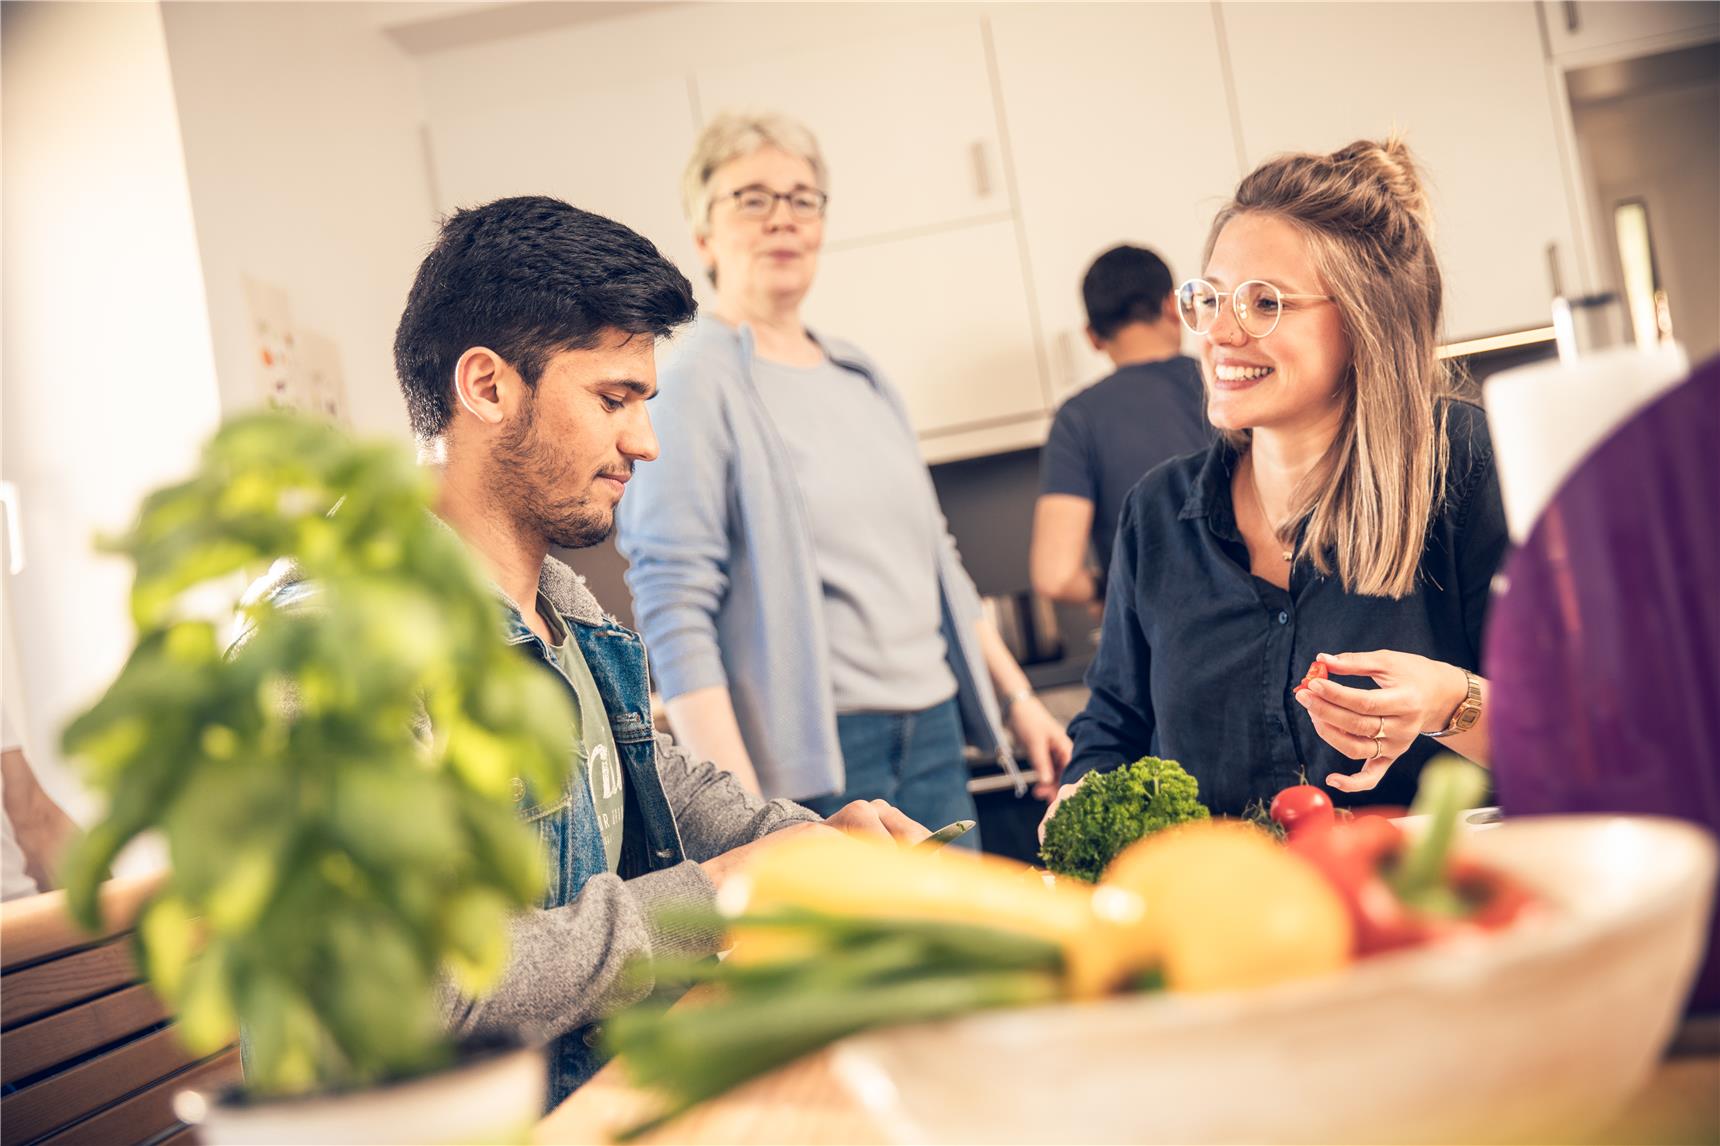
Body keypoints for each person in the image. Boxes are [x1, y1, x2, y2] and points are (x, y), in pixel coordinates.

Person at [247, 196, 928, 1106]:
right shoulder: (331, 650)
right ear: (487, 387)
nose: (644, 443)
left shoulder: (561, 609)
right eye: (613, 400)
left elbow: (676, 794)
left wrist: (812, 844)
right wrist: (715, 895)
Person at [617, 113, 1072, 830]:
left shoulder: (861, 375)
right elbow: (673, 606)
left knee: (968, 944)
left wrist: (1017, 701)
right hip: (816, 764)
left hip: (935, 732)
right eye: (753, 198)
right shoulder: (694, 385)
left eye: (803, 198)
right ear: (704, 236)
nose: (783, 220)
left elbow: (938, 560)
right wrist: (738, 813)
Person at [1045, 137, 1506, 826]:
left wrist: (1449, 700)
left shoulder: (1463, 466)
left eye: (1264, 303)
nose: (1220, 333)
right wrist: (1081, 799)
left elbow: (1585, 733)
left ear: (1362, 321)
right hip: (1240, 922)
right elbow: (1112, 727)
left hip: (1433, 909)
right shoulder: (1158, 514)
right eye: (1211, 299)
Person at [1032, 245, 1212, 611]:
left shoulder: (1077, 418)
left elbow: (1055, 575)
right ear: (1170, 307)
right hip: (1256, 621)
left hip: (1155, 641)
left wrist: (1106, 586)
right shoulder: (1226, 383)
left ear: (1092, 336)